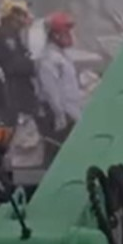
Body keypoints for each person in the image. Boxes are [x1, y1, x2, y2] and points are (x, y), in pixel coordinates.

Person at [35, 11, 83, 162]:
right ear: (55, 35)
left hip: (71, 113)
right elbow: (51, 91)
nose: (70, 35)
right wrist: (60, 115)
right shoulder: (49, 59)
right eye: (66, 31)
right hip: (61, 117)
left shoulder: (62, 56)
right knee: (59, 157)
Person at [0, 0, 38, 127]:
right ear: (13, 15)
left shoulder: (13, 34)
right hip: (12, 93)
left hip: (16, 91)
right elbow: (13, 65)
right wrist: (35, 65)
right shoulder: (6, 36)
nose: (25, 18)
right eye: (23, 14)